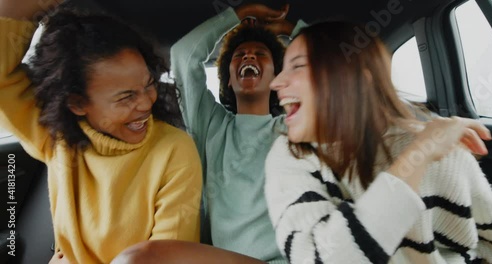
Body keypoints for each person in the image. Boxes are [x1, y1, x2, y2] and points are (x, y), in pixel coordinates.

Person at [265, 21, 492, 263]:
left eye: (298, 66)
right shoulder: (291, 157)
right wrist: (418, 155)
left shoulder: (446, 154)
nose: (275, 83)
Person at [0, 1, 202, 263]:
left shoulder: (175, 150)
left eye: (149, 84)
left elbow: (164, 257)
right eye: (126, 97)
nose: (146, 103)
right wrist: (33, 6)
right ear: (77, 103)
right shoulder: (57, 138)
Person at [112, 4, 305, 264]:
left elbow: (337, 72)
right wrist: (239, 12)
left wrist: (290, 30)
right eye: (240, 55)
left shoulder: (292, 127)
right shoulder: (211, 126)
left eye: (261, 54)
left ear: (275, 76)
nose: (249, 57)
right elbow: (183, 55)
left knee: (138, 259)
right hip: (221, 259)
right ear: (228, 78)